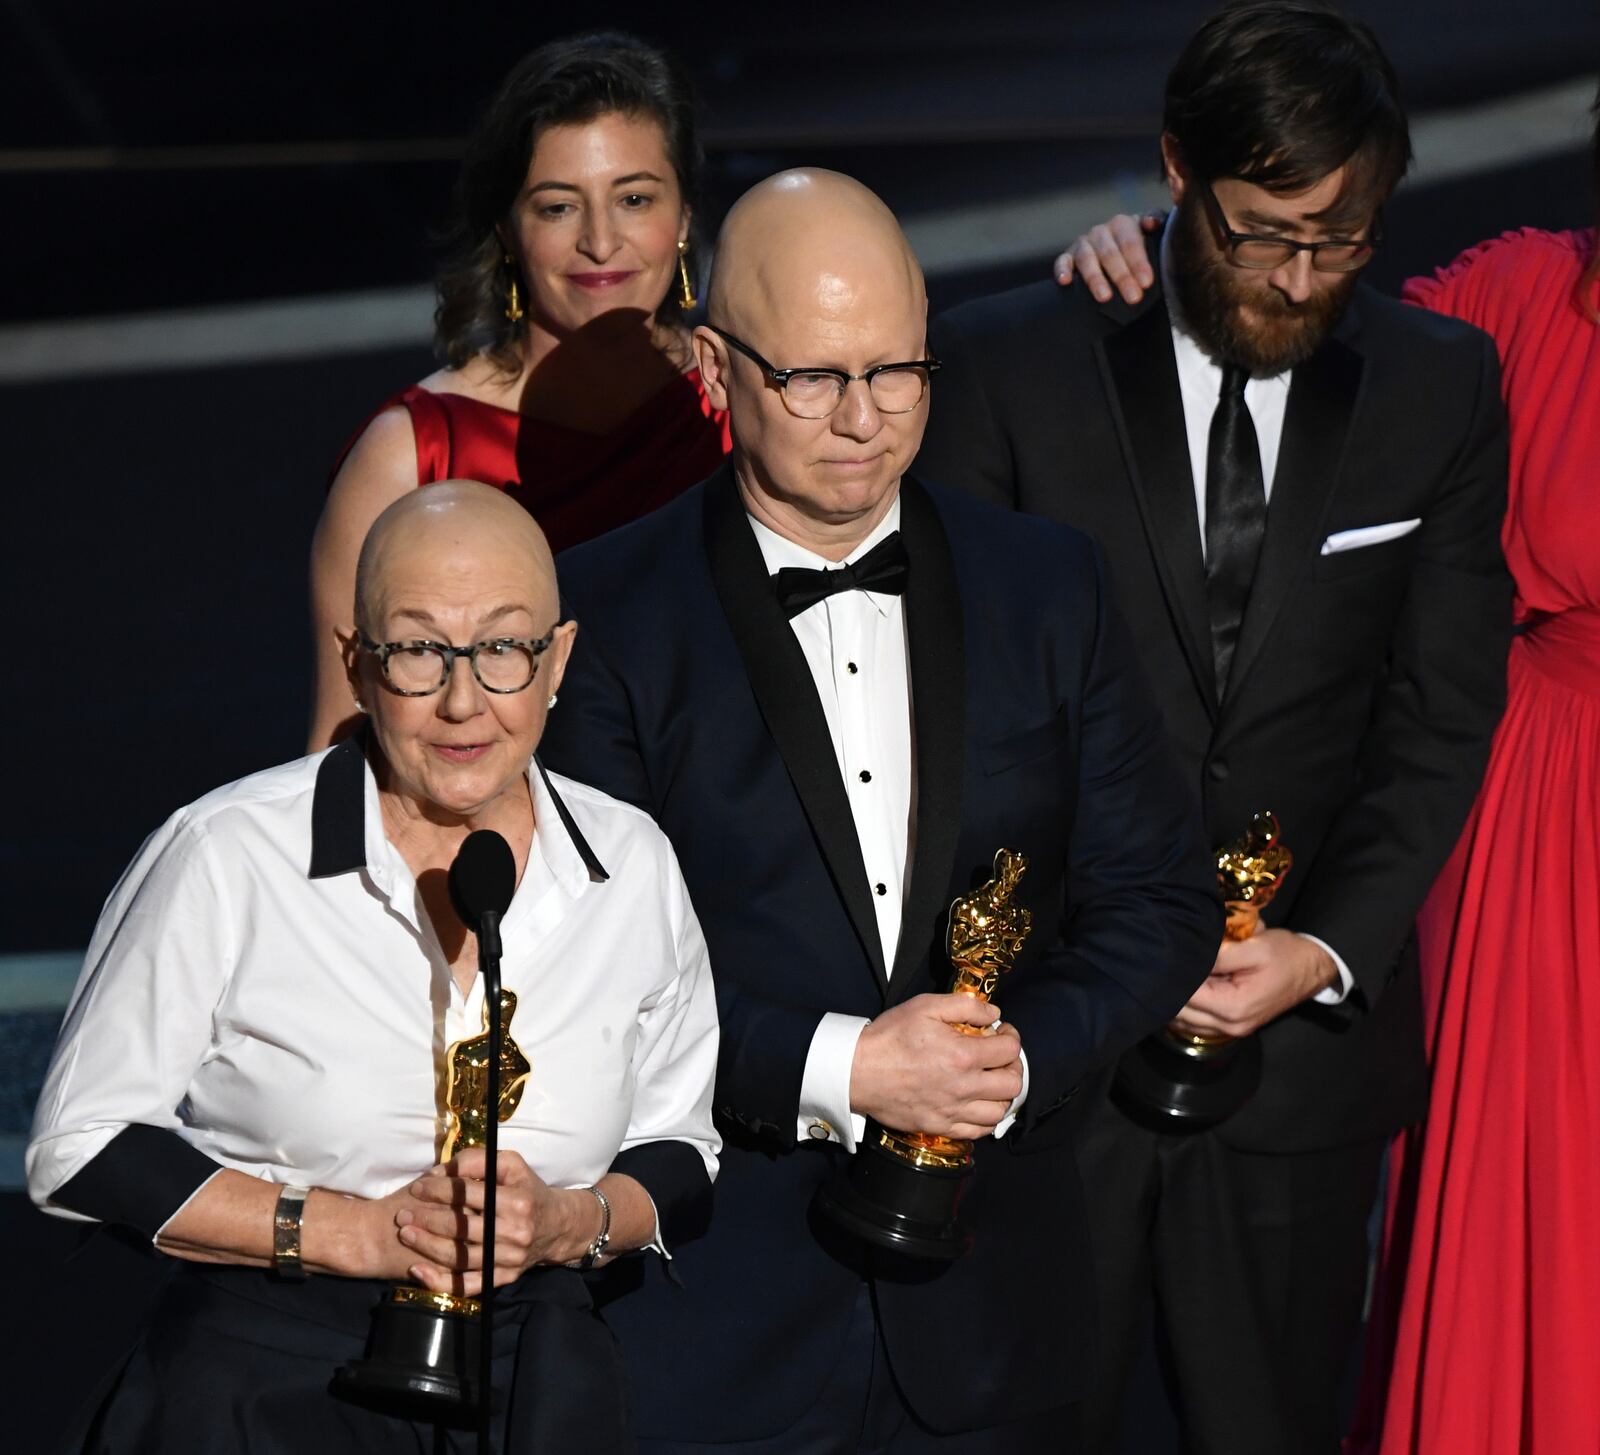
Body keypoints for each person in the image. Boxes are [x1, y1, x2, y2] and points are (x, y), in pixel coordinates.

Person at [536, 166, 1223, 1453]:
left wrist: (1005, 1063)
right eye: (812, 378)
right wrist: (847, 1066)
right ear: (711, 368)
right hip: (710, 1334)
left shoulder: (1047, 582)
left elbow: (1161, 898)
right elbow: (580, 975)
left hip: (997, 1329)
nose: (863, 420)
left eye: (896, 372)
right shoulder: (606, 621)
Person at [916, 5, 1512, 1452]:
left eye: (1342, 235)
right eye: (1261, 233)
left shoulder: (1439, 387)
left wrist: (1321, 948)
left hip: (1297, 1076)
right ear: (1175, 169)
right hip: (1055, 1056)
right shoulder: (1014, 367)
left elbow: (1440, 711)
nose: (1299, 275)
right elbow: (966, 710)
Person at [1056, 70, 1600, 1455]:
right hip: (1535, 836)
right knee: (1527, 1235)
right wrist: (1151, 260)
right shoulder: (1532, 294)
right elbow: (1299, 323)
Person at [27, 481, 720, 1453]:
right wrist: (353, 1232)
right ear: (357, 665)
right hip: (267, 1392)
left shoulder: (631, 859)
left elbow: (681, 1149)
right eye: (419, 651)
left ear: (557, 659)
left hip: (537, 1391)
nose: (463, 699)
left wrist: (568, 1223)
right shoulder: (228, 852)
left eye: (503, 648)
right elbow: (83, 1147)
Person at [309, 31, 730, 750]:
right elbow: (341, 742)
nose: (601, 242)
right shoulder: (412, 455)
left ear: (684, 217)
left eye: (633, 198)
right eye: (559, 207)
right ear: (507, 230)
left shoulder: (744, 404)